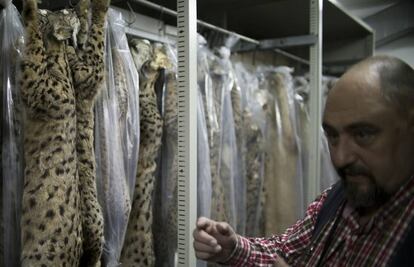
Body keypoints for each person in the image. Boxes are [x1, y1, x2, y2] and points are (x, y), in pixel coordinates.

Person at [193, 55, 414, 266]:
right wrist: (233, 248)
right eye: (333, 136)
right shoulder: (337, 199)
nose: (340, 157)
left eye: (363, 135)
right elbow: (288, 250)